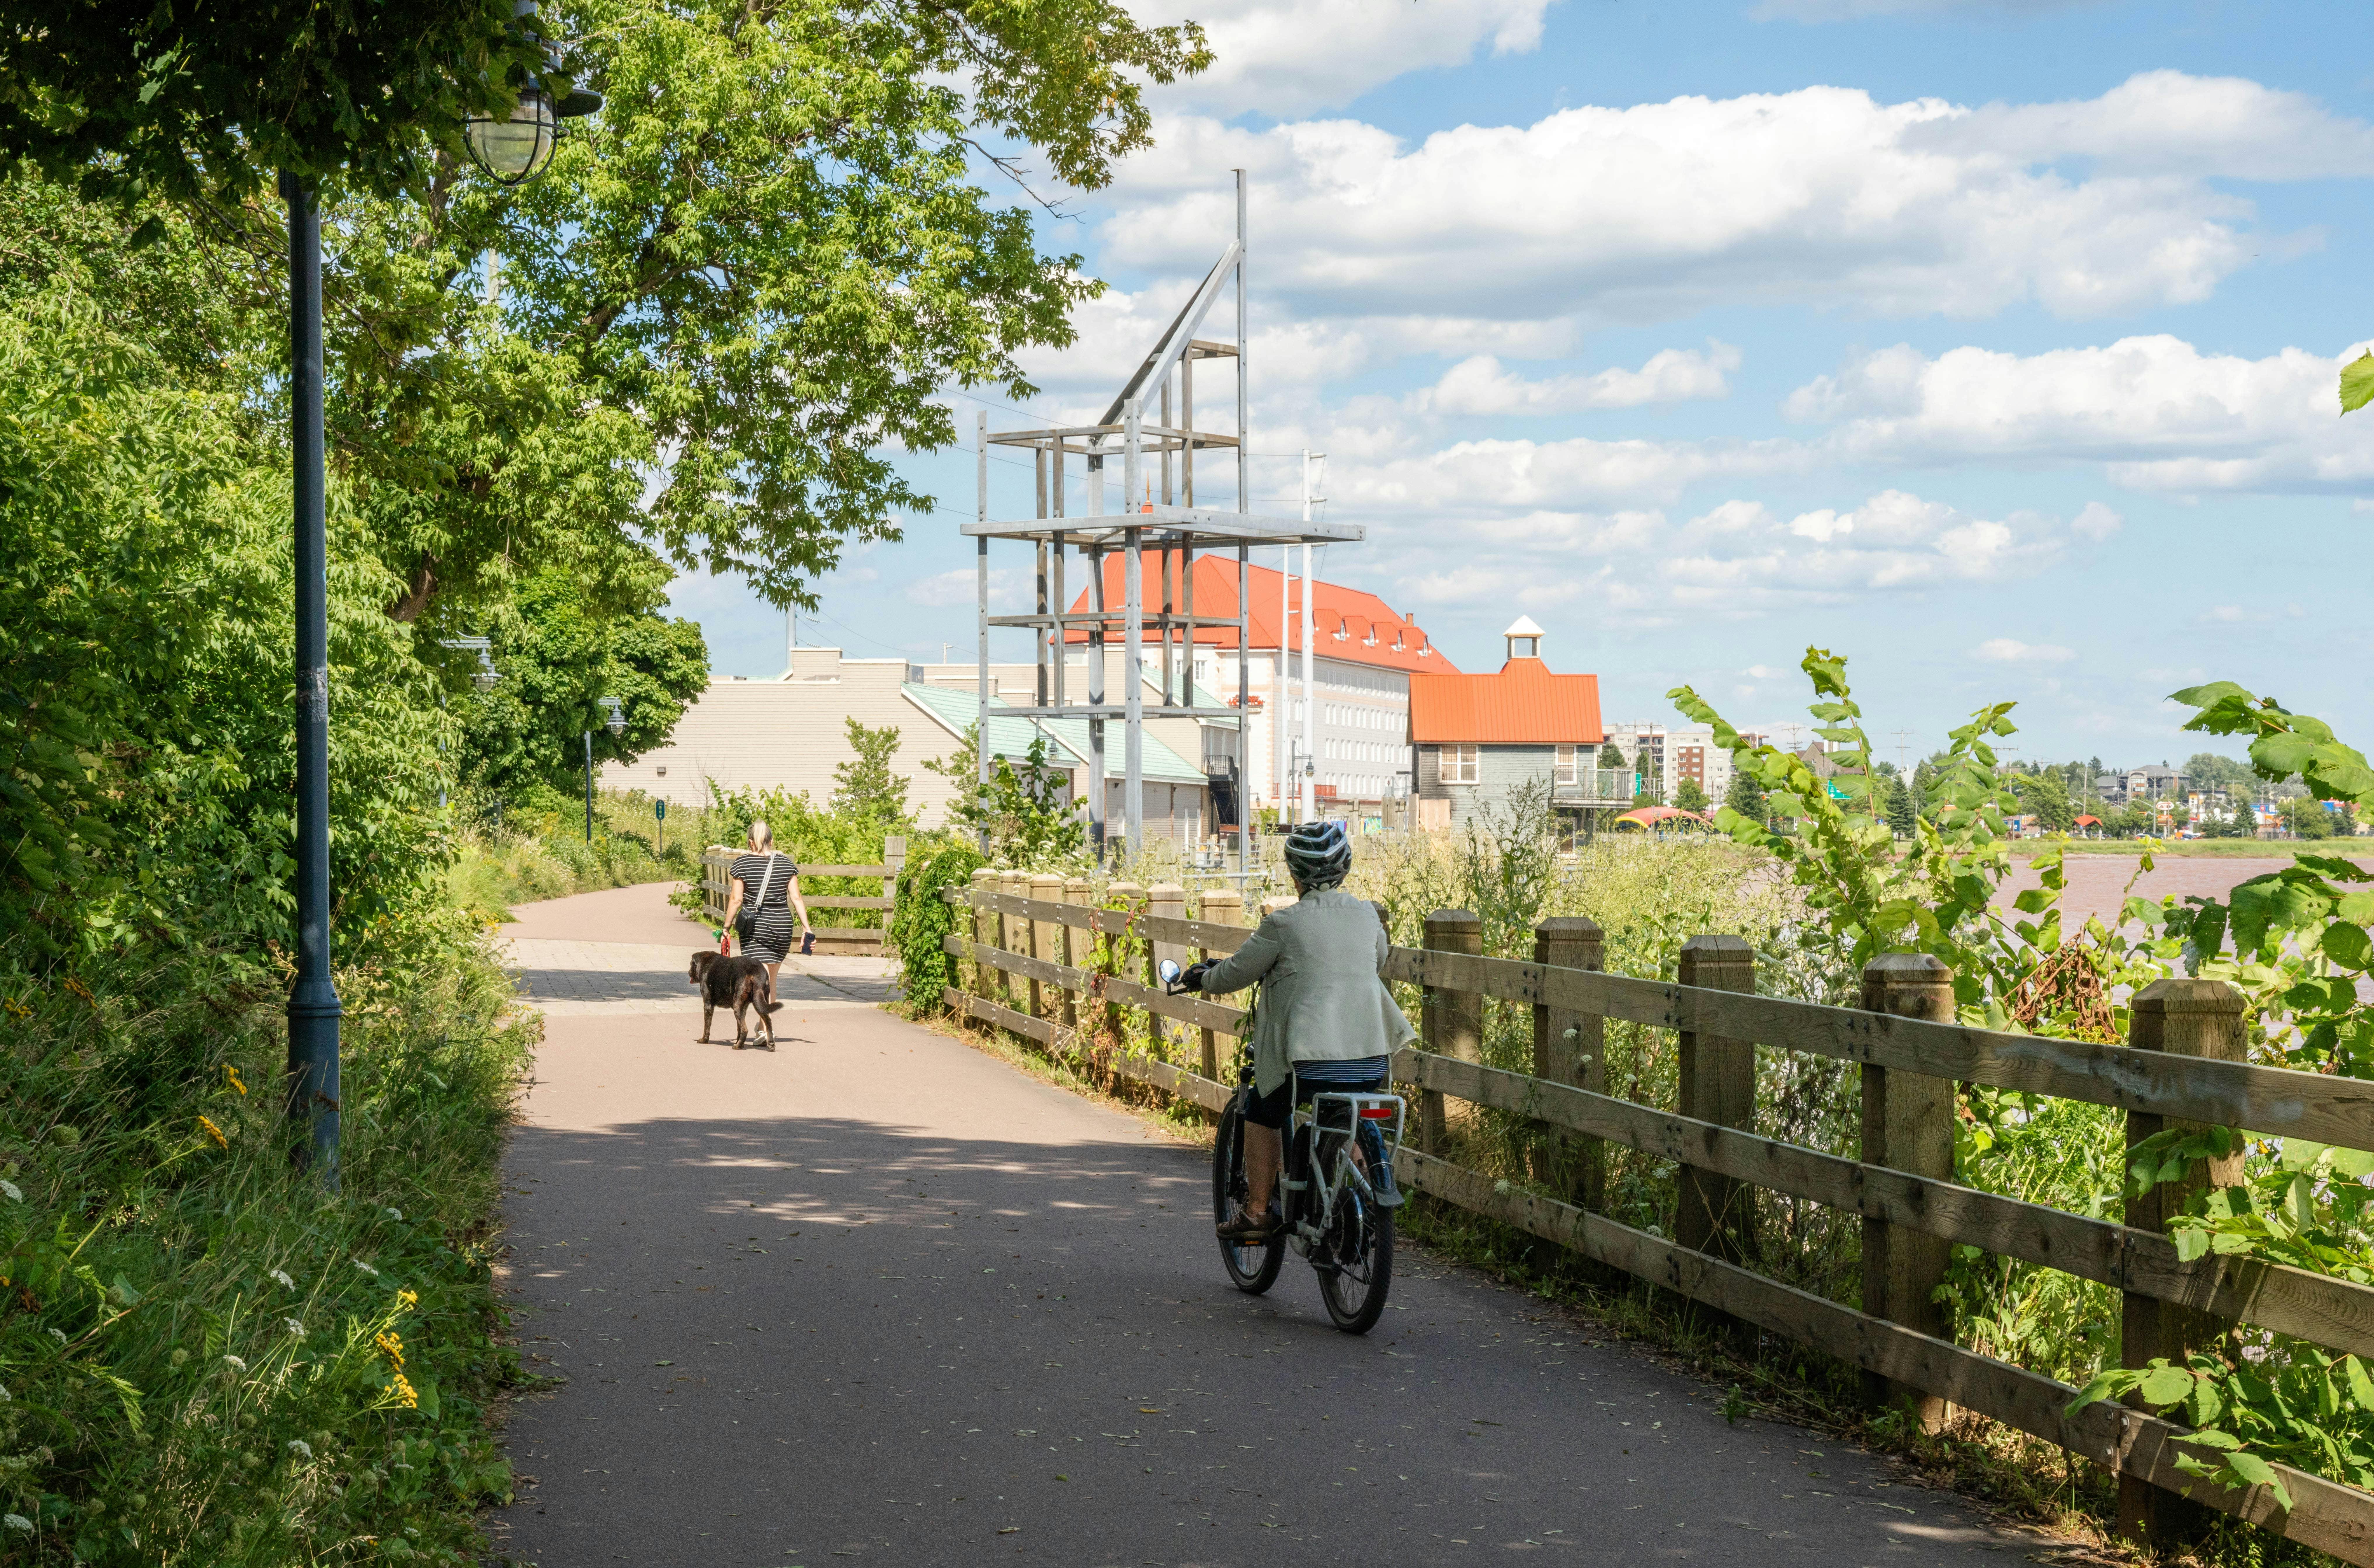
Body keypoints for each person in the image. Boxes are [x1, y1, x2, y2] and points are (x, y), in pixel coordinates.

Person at [1183, 820, 1414, 1242]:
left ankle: (1256, 1213)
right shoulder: (1366, 916)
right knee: (1353, 1110)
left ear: (1293, 872)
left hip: (1308, 1061)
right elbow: (1376, 960)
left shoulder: (1283, 925)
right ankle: (1355, 1192)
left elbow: (1237, 972)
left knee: (1260, 1110)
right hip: (1370, 1055)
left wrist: (1204, 978)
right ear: (1345, 868)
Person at [722, 820, 812, 1010]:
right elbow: (796, 898)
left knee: (758, 980)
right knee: (770, 979)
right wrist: (807, 929)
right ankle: (765, 1027)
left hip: (756, 929)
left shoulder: (742, 863)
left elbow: (736, 900)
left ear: (751, 843)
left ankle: (765, 1026)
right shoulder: (786, 863)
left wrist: (726, 928)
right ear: (771, 842)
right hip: (782, 928)